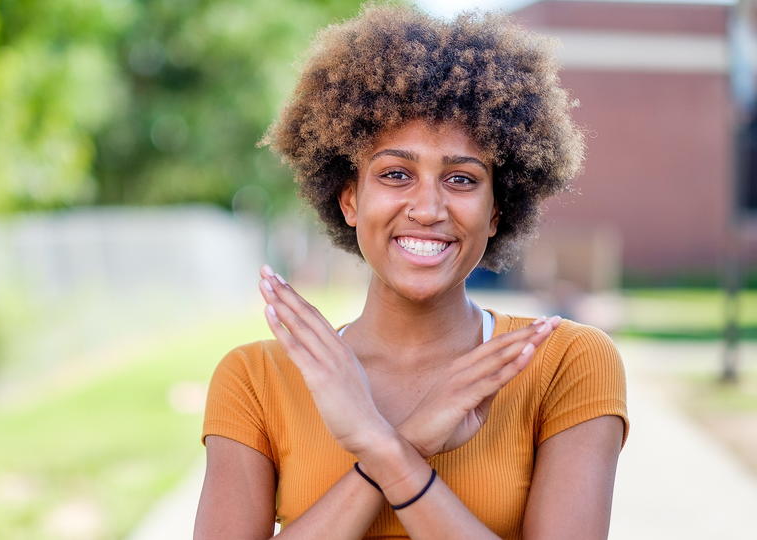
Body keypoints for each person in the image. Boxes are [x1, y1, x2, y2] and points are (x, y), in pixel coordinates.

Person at [195, 5, 628, 539]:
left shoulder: (564, 363)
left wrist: (385, 449)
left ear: (496, 211)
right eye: (396, 174)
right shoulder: (255, 379)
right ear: (350, 199)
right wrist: (409, 440)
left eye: (462, 180)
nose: (427, 208)